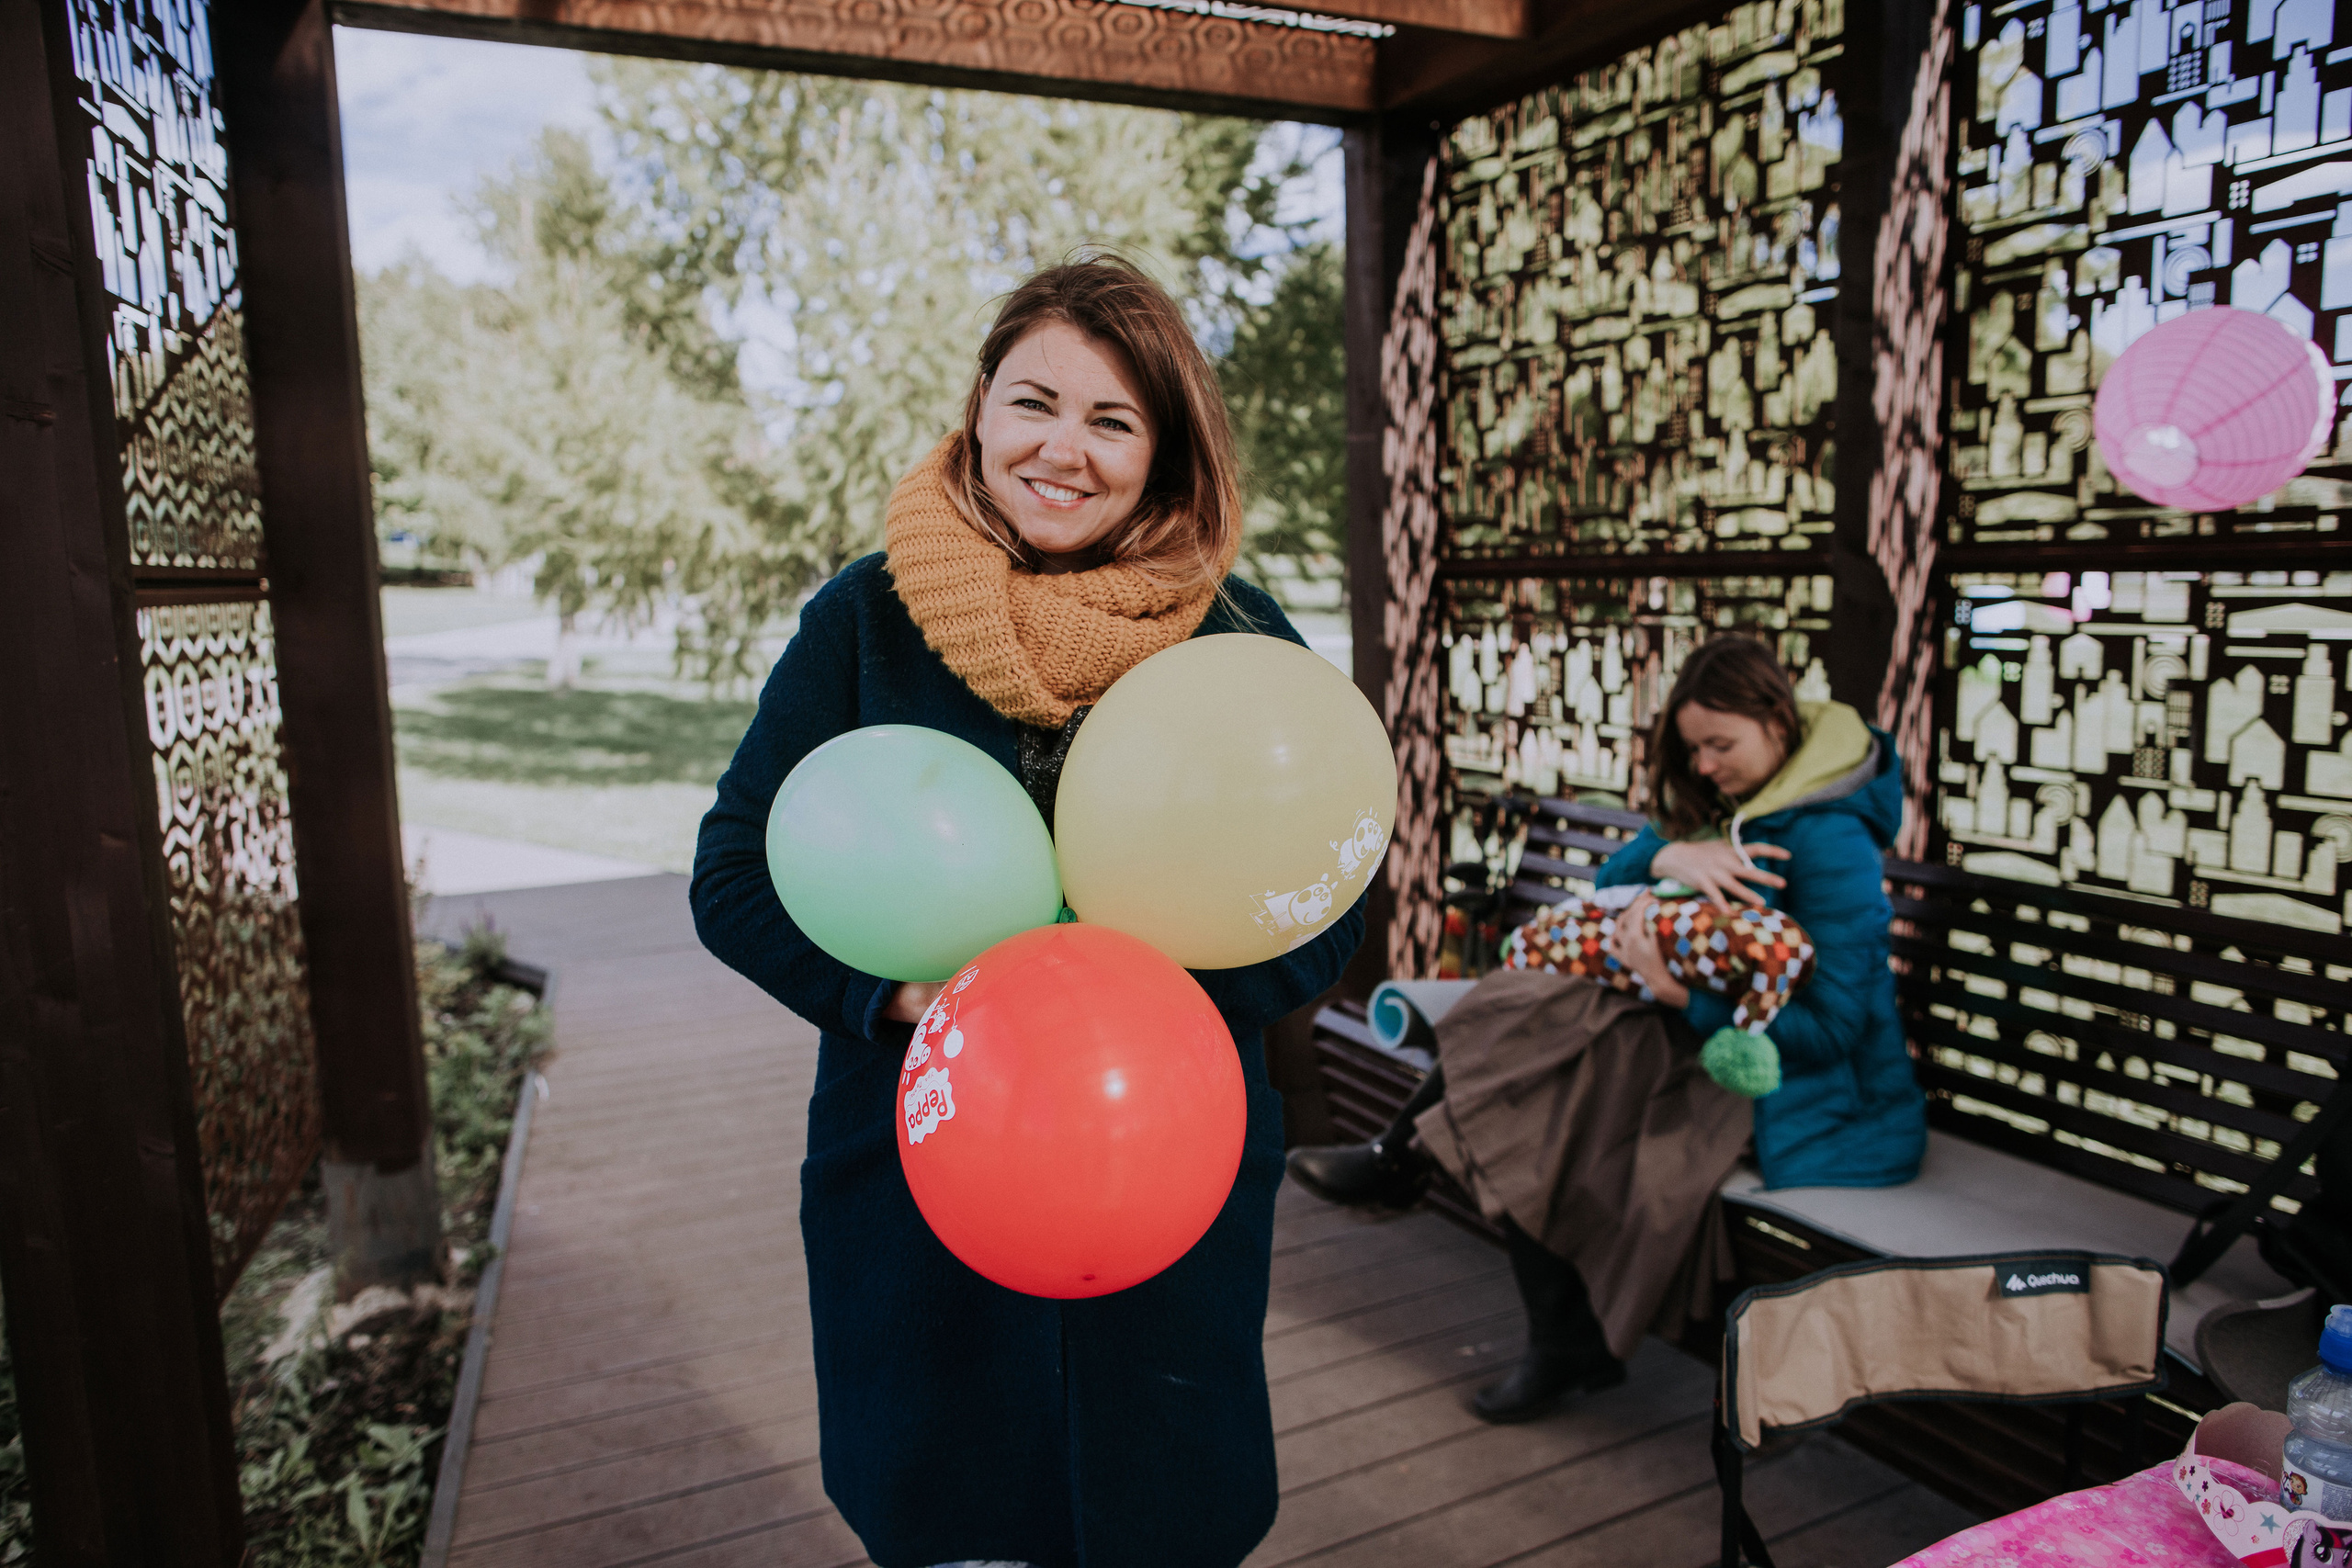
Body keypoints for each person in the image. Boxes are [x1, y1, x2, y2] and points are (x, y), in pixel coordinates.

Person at [689, 255, 1363, 1568]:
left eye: (1114, 421)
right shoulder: (867, 619)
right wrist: (903, 999)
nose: (1065, 448)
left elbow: (1324, 892)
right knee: (950, 1512)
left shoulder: (1238, 637)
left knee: (1162, 1507)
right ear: (981, 407)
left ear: (1165, 453)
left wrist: (1136, 1013)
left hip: (1169, 1164)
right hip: (921, 1156)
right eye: (1035, 402)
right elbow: (732, 875)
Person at [1286, 635, 1925, 1422]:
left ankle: (1410, 1165)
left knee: (1545, 1071)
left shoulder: (1832, 841)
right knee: (1541, 1036)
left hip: (1807, 1091)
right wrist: (1677, 861)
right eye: (1693, 749)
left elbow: (1833, 1028)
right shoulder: (1735, 804)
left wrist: (1672, 992)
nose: (1703, 766)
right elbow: (1612, 880)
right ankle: (1531, 1307)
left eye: (1719, 744)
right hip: (1692, 1035)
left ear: (1778, 722)